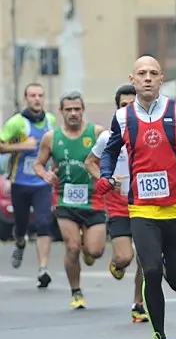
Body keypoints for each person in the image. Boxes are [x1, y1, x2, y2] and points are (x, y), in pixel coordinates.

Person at [97, 56, 176, 339]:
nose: (147, 78)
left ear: (162, 79)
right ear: (132, 80)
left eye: (152, 73)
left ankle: (164, 262)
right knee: (150, 270)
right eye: (141, 74)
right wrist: (106, 176)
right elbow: (109, 152)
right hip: (142, 210)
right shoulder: (122, 118)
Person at [32, 91, 106, 309]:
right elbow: (39, 164)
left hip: (93, 200)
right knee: (72, 247)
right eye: (69, 110)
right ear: (61, 111)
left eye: (77, 109)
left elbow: (112, 157)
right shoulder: (51, 138)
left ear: (83, 110)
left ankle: (88, 249)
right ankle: (76, 292)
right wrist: (45, 174)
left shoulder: (97, 133)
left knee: (95, 251)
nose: (73, 113)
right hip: (64, 199)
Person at [84, 85, 149, 322]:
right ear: (118, 109)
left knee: (145, 257)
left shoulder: (151, 133)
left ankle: (138, 304)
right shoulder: (108, 137)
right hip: (118, 206)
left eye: (133, 104)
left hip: (145, 203)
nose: (129, 109)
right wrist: (105, 179)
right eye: (124, 105)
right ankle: (117, 264)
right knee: (125, 257)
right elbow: (90, 162)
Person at [0, 83, 57, 287]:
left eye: (40, 95)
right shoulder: (17, 122)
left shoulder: (51, 121)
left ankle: (43, 269)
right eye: (32, 95)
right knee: (22, 223)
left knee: (43, 222)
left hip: (42, 182)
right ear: (26, 98)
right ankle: (20, 242)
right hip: (20, 182)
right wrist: (22, 146)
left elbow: (55, 146)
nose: (37, 99)